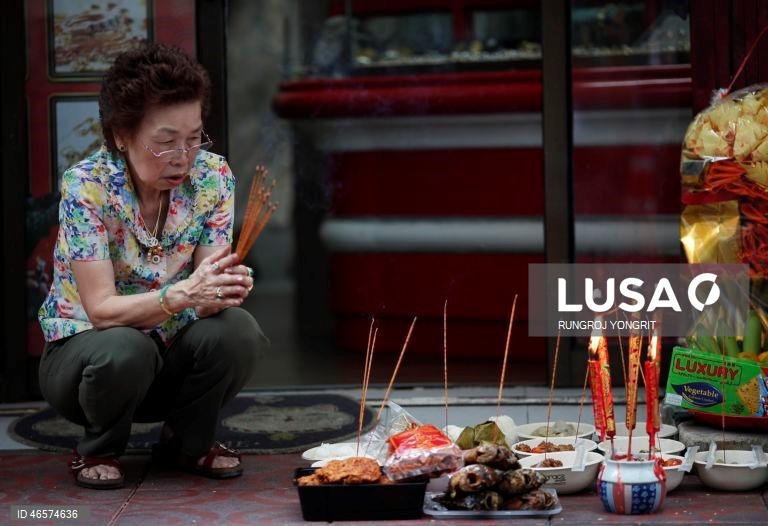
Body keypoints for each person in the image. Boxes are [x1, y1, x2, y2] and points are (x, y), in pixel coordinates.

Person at [37, 43, 269, 489]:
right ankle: (99, 447)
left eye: (194, 138)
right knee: (126, 347)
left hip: (169, 356)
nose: (184, 156)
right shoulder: (88, 189)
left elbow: (207, 290)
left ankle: (188, 440)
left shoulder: (212, 179)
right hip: (88, 359)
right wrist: (182, 295)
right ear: (121, 135)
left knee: (237, 329)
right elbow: (101, 310)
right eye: (165, 142)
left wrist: (223, 288)